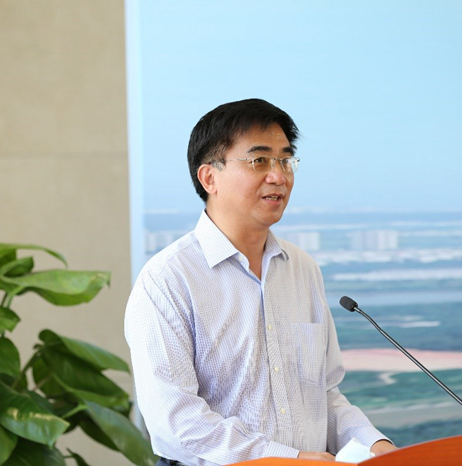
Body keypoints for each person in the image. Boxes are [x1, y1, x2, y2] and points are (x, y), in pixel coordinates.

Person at [125, 98, 396, 466]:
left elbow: (324, 396)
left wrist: (375, 445)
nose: (279, 176)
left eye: (285, 160)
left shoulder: (302, 269)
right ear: (209, 178)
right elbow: (177, 425)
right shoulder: (168, 279)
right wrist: (289, 459)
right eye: (259, 161)